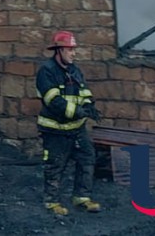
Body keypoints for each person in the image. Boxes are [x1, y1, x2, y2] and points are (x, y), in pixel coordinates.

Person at [35, 30, 102, 216]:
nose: (74, 53)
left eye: (74, 49)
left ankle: (81, 197)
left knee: (87, 159)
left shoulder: (74, 70)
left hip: (77, 129)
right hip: (55, 129)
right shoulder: (46, 71)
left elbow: (84, 92)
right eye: (70, 49)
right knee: (55, 165)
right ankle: (51, 202)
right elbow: (53, 100)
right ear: (59, 50)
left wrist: (89, 106)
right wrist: (77, 112)